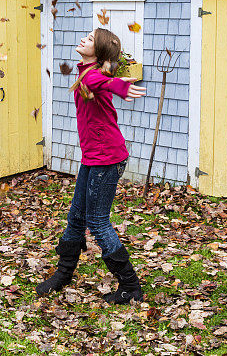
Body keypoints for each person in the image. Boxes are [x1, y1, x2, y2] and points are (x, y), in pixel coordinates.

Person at [36, 28, 146, 304]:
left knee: (97, 222)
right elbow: (100, 79)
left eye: (90, 38)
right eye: (84, 35)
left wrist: (119, 85)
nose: (84, 38)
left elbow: (103, 82)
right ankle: (63, 273)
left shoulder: (94, 76)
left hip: (106, 159)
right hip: (94, 157)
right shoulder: (86, 73)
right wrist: (115, 81)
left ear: (98, 51)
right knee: (76, 217)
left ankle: (130, 287)